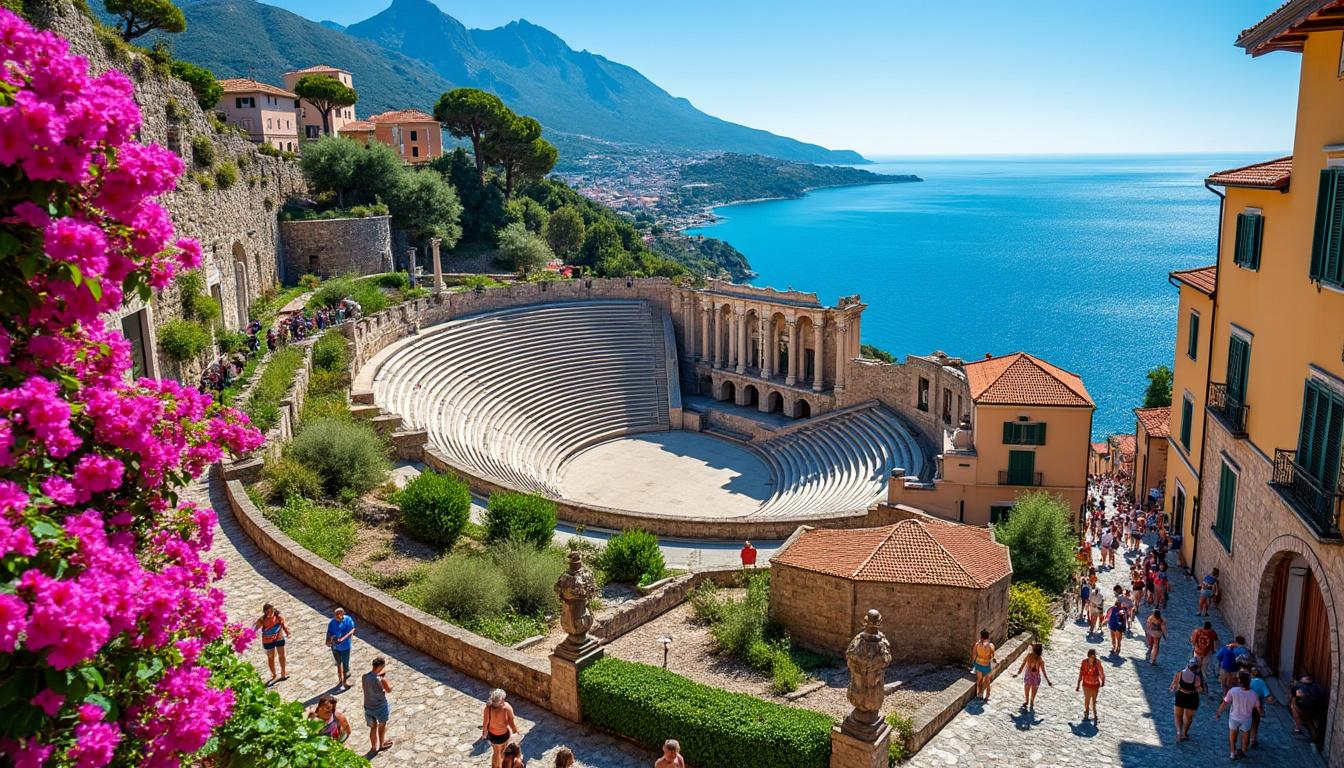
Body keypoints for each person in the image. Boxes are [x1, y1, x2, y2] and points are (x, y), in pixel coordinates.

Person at [1213, 670, 1262, 760]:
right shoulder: (1254, 694)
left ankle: (1232, 752)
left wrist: (1218, 713)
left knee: (1232, 735)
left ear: (1239, 681)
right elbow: (1258, 707)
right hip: (1246, 719)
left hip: (1234, 718)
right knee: (1245, 735)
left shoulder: (1233, 691)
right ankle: (1243, 751)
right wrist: (1261, 714)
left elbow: (1225, 703)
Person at [362, 657, 393, 753]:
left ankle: (373, 747)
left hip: (368, 707)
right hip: (380, 707)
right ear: (380, 666)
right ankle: (382, 744)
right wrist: (386, 680)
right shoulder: (381, 679)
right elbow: (389, 690)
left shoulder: (364, 677)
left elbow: (364, 688)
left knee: (373, 728)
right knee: (382, 725)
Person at [254, 603, 290, 684]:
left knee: (282, 655)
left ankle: (283, 673)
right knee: (271, 658)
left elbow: (283, 625)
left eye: (271, 610)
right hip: (267, 641)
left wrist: (288, 633)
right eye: (268, 610)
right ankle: (274, 674)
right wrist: (251, 634)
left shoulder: (278, 617)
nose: (270, 612)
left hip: (279, 639)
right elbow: (255, 628)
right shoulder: (262, 619)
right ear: (265, 611)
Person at [1170, 658, 1206, 742]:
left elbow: (1173, 685)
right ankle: (1184, 733)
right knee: (1188, 717)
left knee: (1178, 716)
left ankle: (1179, 732)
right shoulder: (1197, 678)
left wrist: (1173, 688)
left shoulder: (1180, 674)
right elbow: (1201, 690)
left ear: (1188, 665)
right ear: (1197, 667)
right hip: (1192, 697)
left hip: (1180, 695)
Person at [482, 689, 518, 768]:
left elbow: (485, 722)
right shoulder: (506, 707)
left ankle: (495, 766)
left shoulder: (488, 708)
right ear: (501, 700)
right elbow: (511, 722)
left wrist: (484, 733)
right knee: (501, 752)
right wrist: (515, 731)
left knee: (495, 752)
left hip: (492, 735)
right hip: (503, 735)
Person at [1011, 642, 1053, 710]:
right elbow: (1043, 671)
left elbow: (1023, 664)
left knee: (1027, 689)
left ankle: (1029, 701)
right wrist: (1048, 681)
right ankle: (1030, 701)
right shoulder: (1038, 659)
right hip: (1034, 678)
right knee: (1032, 691)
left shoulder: (1032, 657)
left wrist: (1018, 673)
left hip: (1030, 677)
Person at [1245, 659, 1273, 749]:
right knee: (1255, 722)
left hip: (1245, 705)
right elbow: (1268, 696)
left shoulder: (1245, 680)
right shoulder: (1260, 682)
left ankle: (1245, 739)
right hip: (1257, 705)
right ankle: (1253, 739)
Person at [326, 607, 356, 690]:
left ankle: (345, 682)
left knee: (345, 664)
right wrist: (328, 640)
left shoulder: (348, 620)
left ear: (342, 614)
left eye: (338, 614)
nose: (336, 616)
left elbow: (352, 630)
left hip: (345, 646)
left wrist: (342, 639)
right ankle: (340, 680)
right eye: (335, 614)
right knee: (338, 664)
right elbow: (329, 632)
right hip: (335, 647)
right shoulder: (332, 622)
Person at [1076, 649, 1106, 723]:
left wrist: (1103, 680)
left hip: (1095, 684)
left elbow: (1101, 672)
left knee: (1094, 700)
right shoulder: (1084, 662)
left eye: (1094, 657)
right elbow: (1081, 673)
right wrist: (1078, 684)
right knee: (1087, 699)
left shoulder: (1098, 663)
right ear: (1088, 656)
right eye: (1091, 657)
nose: (1092, 658)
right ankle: (1086, 714)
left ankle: (1095, 715)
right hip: (1086, 684)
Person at [971, 629, 996, 702]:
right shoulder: (991, 645)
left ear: (981, 636)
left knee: (979, 680)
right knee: (987, 681)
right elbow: (993, 655)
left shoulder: (977, 644)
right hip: (986, 665)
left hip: (979, 664)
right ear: (988, 637)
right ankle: (988, 695)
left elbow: (974, 655)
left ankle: (980, 694)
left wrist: (974, 664)